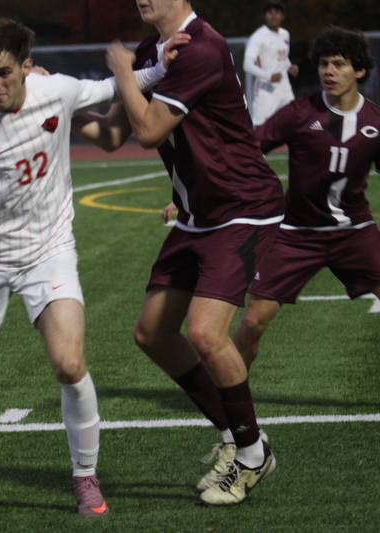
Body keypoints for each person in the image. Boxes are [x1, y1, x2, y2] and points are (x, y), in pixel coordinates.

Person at [0, 17, 185, 516]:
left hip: (48, 252)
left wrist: (161, 67)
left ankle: (85, 475)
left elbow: (108, 88)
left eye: (5, 73)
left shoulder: (54, 91)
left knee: (70, 364)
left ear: (27, 68)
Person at [91, 0, 286, 506]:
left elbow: (149, 130)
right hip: (199, 215)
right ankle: (238, 436)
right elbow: (114, 133)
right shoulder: (150, 50)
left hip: (242, 207)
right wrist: (46, 108)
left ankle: (250, 456)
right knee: (152, 333)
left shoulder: (201, 47)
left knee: (203, 331)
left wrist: (123, 73)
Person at [234, 27, 380, 368]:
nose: (329, 71)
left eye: (339, 64)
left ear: (359, 70)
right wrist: (194, 194)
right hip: (295, 235)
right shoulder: (299, 112)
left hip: (354, 232)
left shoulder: (376, 122)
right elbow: (245, 152)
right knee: (253, 321)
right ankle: (226, 393)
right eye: (324, 63)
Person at [244, 1, 299, 126]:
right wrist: (269, 76)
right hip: (266, 90)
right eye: (270, 13)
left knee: (294, 121)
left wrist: (290, 66)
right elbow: (247, 65)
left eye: (277, 13)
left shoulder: (285, 34)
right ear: (265, 16)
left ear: (283, 16)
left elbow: (283, 57)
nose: (273, 16)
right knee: (262, 128)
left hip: (285, 88)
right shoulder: (258, 37)